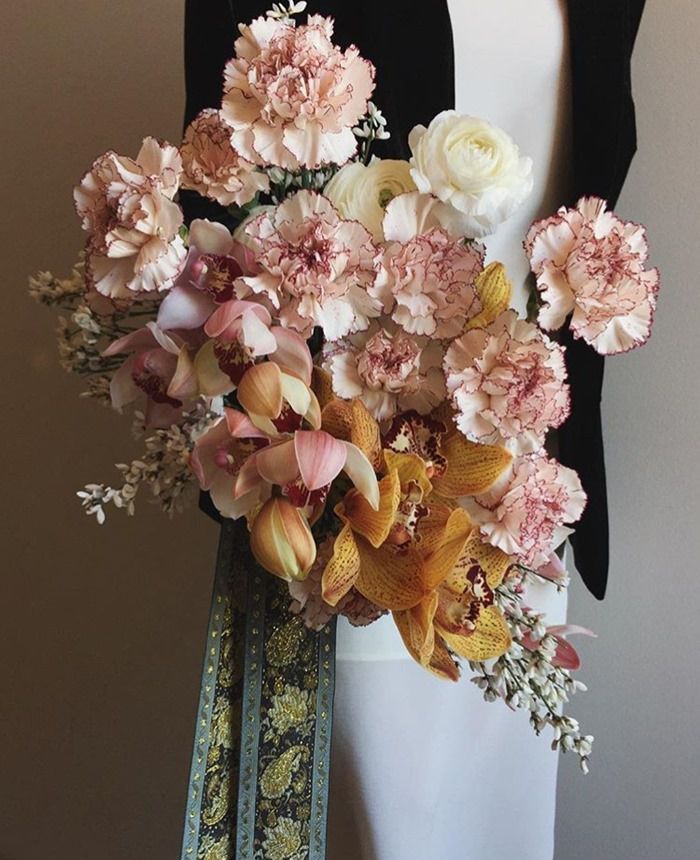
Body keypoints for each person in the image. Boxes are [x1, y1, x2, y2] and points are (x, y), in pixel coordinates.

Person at [183, 2, 647, 856]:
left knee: (506, 832)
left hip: (527, 505)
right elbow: (214, 205)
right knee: (387, 827)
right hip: (356, 514)